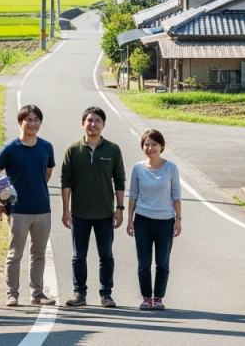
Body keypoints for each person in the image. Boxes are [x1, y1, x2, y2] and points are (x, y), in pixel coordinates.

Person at [0, 104, 57, 308]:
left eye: (36, 120)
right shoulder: (10, 148)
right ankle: (12, 294)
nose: (33, 123)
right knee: (14, 254)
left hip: (43, 210)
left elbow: (47, 173)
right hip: (18, 211)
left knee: (39, 254)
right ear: (20, 122)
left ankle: (37, 293)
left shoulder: (46, 147)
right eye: (28, 119)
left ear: (40, 123)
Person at [61, 106, 125, 308]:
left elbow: (120, 180)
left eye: (98, 121)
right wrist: (65, 210)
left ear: (103, 124)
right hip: (79, 213)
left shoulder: (113, 149)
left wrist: (120, 208)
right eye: (90, 120)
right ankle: (79, 293)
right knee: (78, 256)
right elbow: (66, 182)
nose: (93, 124)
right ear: (83, 124)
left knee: (106, 256)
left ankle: (106, 294)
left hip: (105, 213)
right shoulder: (73, 150)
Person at [126, 129, 182, 311]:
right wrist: (130, 220)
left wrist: (178, 219)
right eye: (146, 144)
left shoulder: (171, 167)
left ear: (162, 146)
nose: (150, 148)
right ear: (143, 147)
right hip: (142, 219)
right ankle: (146, 298)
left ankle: (158, 297)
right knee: (143, 262)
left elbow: (176, 195)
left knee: (162, 262)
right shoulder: (138, 168)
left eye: (154, 144)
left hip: (165, 220)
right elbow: (133, 194)